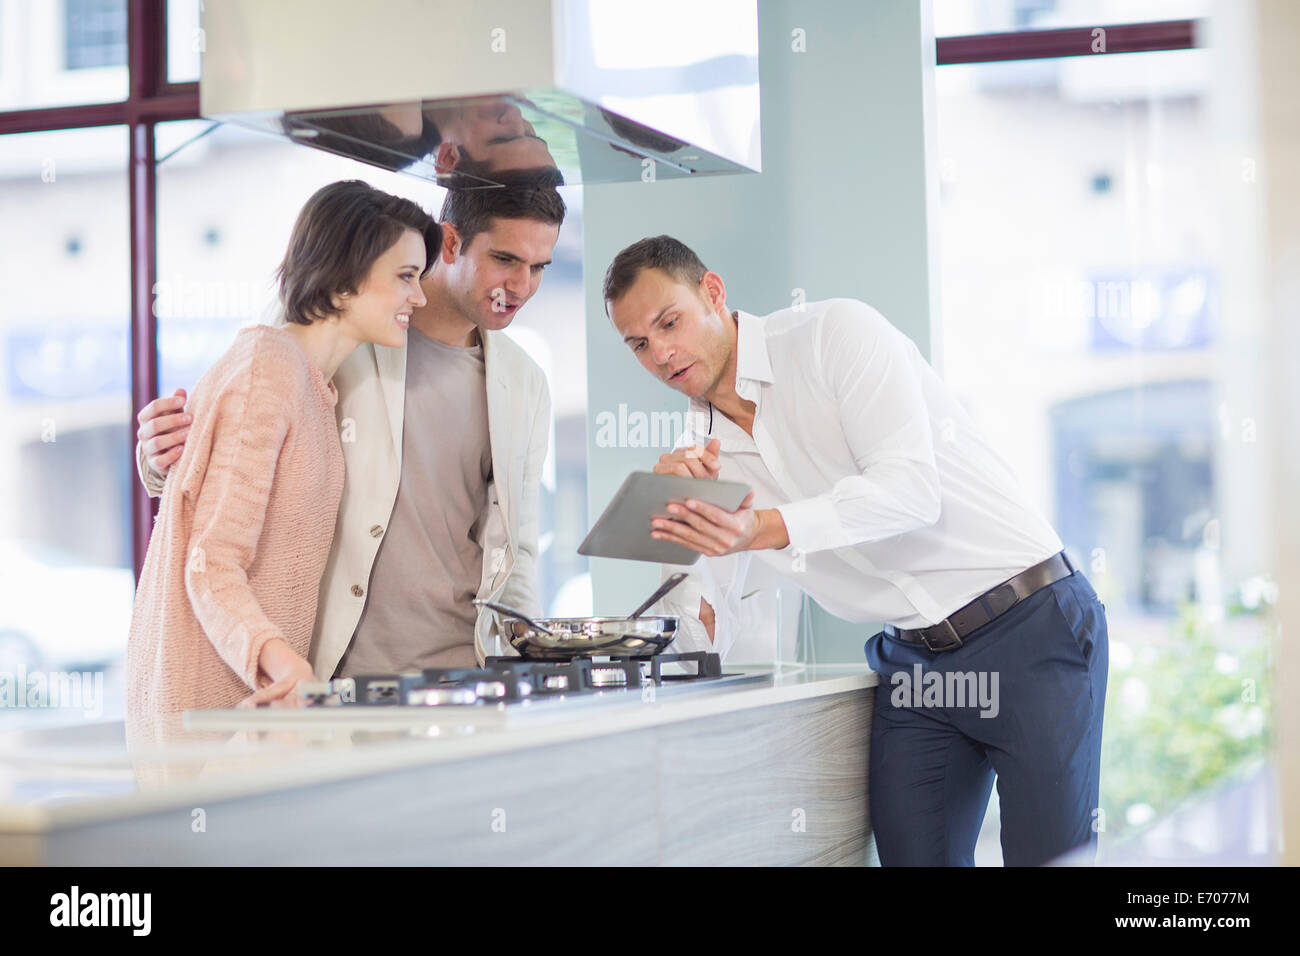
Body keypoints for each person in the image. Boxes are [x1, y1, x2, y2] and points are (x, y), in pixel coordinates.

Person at [603, 235, 1109, 868]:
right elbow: (704, 634)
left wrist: (761, 526)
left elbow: (909, 492)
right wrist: (675, 524)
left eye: (668, 322)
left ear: (712, 292)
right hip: (915, 659)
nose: (661, 353)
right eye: (639, 344)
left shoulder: (833, 335)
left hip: (1030, 623)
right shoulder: (700, 452)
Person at [134, 175, 567, 694]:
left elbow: (515, 546)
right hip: (327, 667)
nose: (521, 286)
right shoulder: (342, 318)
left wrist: (526, 664)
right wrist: (160, 457)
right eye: (505, 260)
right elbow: (236, 419)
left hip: (458, 675)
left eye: (539, 267)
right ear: (450, 243)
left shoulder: (524, 381)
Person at [127, 180, 440, 721]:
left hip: (254, 697)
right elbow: (211, 562)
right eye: (405, 277)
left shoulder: (309, 382)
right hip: (210, 704)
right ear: (343, 282)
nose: (420, 297)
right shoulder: (267, 369)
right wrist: (285, 663)